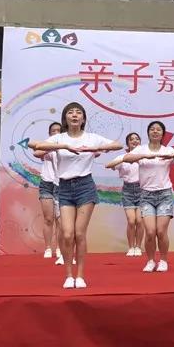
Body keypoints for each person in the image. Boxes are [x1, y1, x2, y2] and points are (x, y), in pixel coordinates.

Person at [33, 102, 122, 289]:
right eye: (71, 112)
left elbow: (118, 145)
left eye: (78, 112)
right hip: (64, 187)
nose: (74, 115)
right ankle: (68, 275)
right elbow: (35, 146)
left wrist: (93, 149)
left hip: (85, 186)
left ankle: (80, 276)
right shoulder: (59, 138)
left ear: (83, 119)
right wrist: (64, 146)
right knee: (67, 234)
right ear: (65, 118)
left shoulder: (91, 138)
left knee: (79, 233)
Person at [124, 121, 174, 273]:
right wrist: (144, 155)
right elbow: (127, 158)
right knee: (150, 232)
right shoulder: (141, 149)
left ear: (162, 134)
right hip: (146, 195)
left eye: (158, 130)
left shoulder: (167, 150)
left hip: (164, 194)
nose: (155, 132)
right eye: (152, 129)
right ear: (148, 133)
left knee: (161, 231)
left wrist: (172, 154)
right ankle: (150, 260)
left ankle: (163, 260)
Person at [105, 132, 144, 257]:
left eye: (137, 139)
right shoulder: (123, 157)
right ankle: (131, 247)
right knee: (131, 221)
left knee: (139, 221)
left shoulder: (144, 156)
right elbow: (108, 165)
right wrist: (124, 158)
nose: (134, 141)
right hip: (128, 190)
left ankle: (138, 247)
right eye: (131, 139)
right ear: (128, 143)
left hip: (142, 189)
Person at [31, 122, 63, 261]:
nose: (56, 132)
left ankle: (60, 248)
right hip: (46, 184)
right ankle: (48, 248)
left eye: (58, 130)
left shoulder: (66, 146)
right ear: (49, 133)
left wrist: (60, 146)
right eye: (53, 131)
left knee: (60, 220)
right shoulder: (45, 145)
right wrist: (51, 146)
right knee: (48, 218)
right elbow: (36, 153)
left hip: (61, 185)